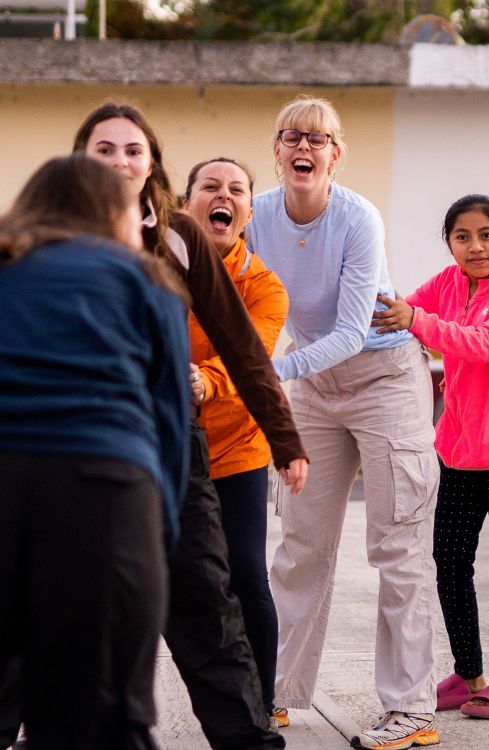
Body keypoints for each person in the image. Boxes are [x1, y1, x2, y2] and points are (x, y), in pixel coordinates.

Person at [75, 101, 309, 748]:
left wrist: (284, 437)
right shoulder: (51, 229)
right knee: (66, 601)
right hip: (78, 443)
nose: (120, 161)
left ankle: (251, 734)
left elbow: (242, 344)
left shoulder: (180, 237)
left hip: (180, 444)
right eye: (104, 149)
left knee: (210, 599)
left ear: (151, 162)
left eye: (133, 150)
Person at [245, 95, 439, 750]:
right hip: (313, 381)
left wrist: (269, 372)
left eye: (318, 138)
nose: (304, 147)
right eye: (292, 136)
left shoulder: (358, 217)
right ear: (276, 150)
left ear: (336, 155)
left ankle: (411, 710)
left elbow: (354, 331)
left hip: (385, 377)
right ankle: (275, 691)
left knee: (397, 544)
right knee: (300, 542)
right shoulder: (256, 215)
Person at [0, 154, 189, 749]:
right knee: (105, 718)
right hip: (105, 494)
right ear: (115, 213)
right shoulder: (145, 279)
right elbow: (170, 424)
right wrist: (157, 537)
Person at [372, 194, 489, 718]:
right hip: (456, 447)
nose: (475, 247)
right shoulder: (449, 282)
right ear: (449, 243)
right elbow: (399, 311)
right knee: (449, 561)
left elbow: (484, 343)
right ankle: (468, 673)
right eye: (462, 237)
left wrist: (415, 320)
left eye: (486, 235)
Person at [182, 157, 289, 722]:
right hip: (161, 442)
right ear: (186, 204)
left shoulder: (265, 287)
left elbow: (252, 354)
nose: (224, 196)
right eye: (210, 186)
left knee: (245, 573)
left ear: (248, 211)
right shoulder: (155, 268)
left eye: (237, 190)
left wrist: (205, 380)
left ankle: (261, 706)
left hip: (234, 448)